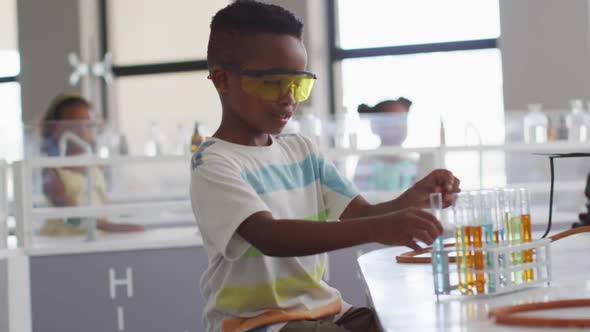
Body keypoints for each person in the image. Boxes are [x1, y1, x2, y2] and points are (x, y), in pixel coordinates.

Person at [190, 2, 460, 331]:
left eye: (297, 83)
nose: (288, 97)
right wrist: (382, 228)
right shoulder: (214, 162)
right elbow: (269, 235)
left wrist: (416, 195)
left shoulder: (303, 150)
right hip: (258, 323)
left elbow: (362, 215)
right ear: (222, 80)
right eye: (273, 82)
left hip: (326, 310)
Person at [40, 93, 144, 235]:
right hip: (65, 240)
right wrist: (109, 227)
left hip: (95, 237)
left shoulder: (95, 167)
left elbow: (103, 201)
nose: (83, 131)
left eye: (89, 125)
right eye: (74, 125)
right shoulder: (53, 171)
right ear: (55, 129)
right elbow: (67, 214)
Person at [356, 98, 417, 191]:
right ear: (375, 127)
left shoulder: (413, 163)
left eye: (403, 120)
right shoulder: (366, 162)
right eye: (393, 122)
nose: (400, 127)